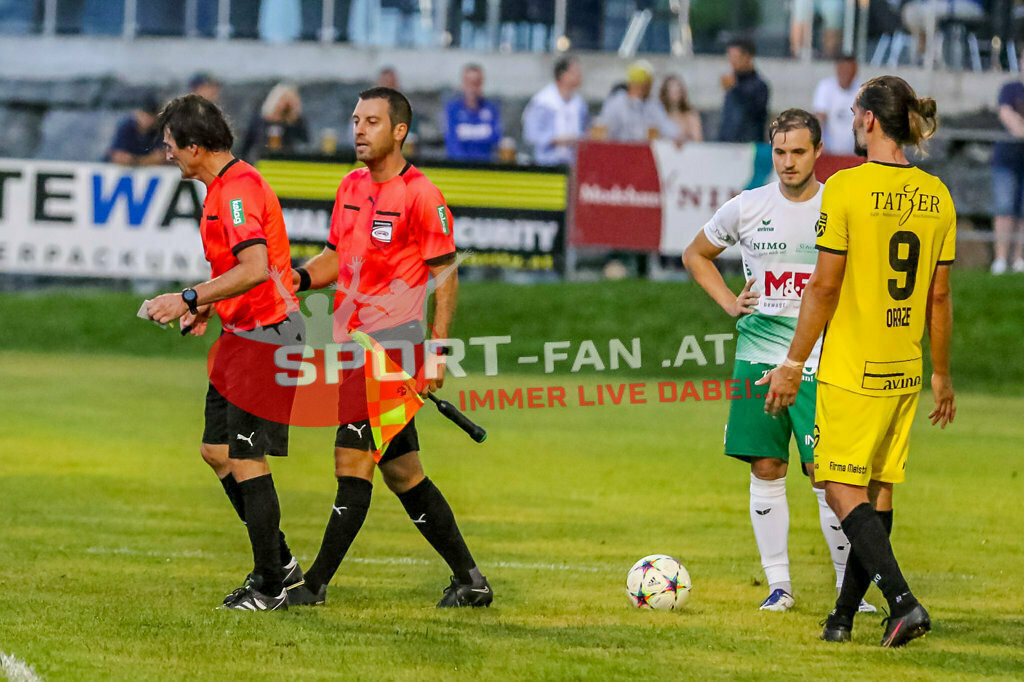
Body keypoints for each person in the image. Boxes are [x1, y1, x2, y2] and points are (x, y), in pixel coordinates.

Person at [760, 76, 956, 647]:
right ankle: (842, 618)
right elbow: (939, 297)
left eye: (853, 112)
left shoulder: (847, 187)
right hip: (906, 367)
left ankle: (903, 603)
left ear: (869, 119)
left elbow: (823, 286)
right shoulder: (937, 195)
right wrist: (941, 372)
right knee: (878, 491)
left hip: (855, 368)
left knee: (839, 488)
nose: (851, 120)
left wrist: (793, 363)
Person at [286, 86, 492, 608]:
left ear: (399, 131)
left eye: (372, 121)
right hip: (353, 346)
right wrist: (299, 279)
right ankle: (471, 581)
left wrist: (438, 350)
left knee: (351, 461)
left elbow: (445, 274)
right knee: (403, 473)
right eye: (356, 120)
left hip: (392, 348)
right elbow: (335, 257)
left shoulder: (422, 194)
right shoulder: (350, 185)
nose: (359, 129)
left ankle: (313, 586)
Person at [682, 109, 873, 614]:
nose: (788, 162)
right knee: (767, 466)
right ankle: (779, 587)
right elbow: (695, 254)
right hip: (757, 354)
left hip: (822, 360)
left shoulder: (838, 205)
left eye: (799, 152)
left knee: (826, 475)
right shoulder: (748, 206)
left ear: (818, 151)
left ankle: (847, 590)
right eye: (780, 152)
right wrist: (730, 303)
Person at [146, 94, 304, 612]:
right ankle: (280, 563)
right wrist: (210, 307)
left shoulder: (237, 191)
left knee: (246, 457)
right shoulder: (220, 190)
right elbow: (238, 271)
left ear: (195, 146)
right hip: (241, 334)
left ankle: (269, 588)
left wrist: (189, 297)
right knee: (217, 452)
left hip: (269, 335)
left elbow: (255, 267)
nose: (168, 153)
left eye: (171, 144)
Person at [521, 55, 588, 165]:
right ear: (563, 75)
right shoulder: (543, 102)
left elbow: (584, 132)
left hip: (573, 164)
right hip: (546, 164)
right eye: (574, 72)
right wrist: (560, 140)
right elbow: (531, 135)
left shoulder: (580, 104)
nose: (579, 75)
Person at [991, 61, 1024, 274]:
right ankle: (1000, 260)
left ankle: (1019, 259)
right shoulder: (1010, 89)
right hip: (1006, 161)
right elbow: (1007, 116)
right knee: (1003, 209)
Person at [593, 60, 678, 142]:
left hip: (645, 150)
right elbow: (603, 134)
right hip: (618, 150)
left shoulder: (653, 105)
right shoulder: (616, 104)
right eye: (644, 84)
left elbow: (671, 131)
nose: (649, 88)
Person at [443, 64, 503, 162]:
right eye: (469, 83)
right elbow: (452, 143)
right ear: (463, 84)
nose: (472, 88)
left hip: (486, 166)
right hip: (459, 166)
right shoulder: (452, 110)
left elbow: (496, 142)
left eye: (476, 83)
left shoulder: (492, 111)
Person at [239, 83, 309, 163]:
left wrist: (291, 121)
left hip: (288, 162)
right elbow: (247, 144)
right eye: (283, 100)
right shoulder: (261, 120)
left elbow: (303, 145)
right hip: (261, 160)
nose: (285, 105)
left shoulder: (298, 123)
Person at [718, 38, 770, 143]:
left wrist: (735, 89)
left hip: (748, 145)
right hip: (727, 144)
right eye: (729, 57)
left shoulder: (759, 86)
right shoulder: (733, 83)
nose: (732, 62)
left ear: (748, 57)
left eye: (735, 57)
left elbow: (755, 115)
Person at [813, 54, 861, 156]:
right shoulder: (826, 87)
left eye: (849, 71)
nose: (846, 75)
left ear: (855, 71)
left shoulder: (862, 90)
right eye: (843, 71)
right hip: (829, 153)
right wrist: (818, 143)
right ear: (837, 69)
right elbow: (819, 118)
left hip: (854, 154)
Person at [106, 93, 164, 166]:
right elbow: (118, 157)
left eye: (151, 116)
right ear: (137, 113)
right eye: (144, 115)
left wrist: (134, 161)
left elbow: (160, 157)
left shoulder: (159, 130)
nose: (147, 119)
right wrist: (146, 160)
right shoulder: (126, 127)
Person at [659, 75, 703, 143]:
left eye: (678, 88)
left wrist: (683, 140)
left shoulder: (690, 115)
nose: (676, 91)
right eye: (672, 89)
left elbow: (698, 140)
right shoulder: (660, 114)